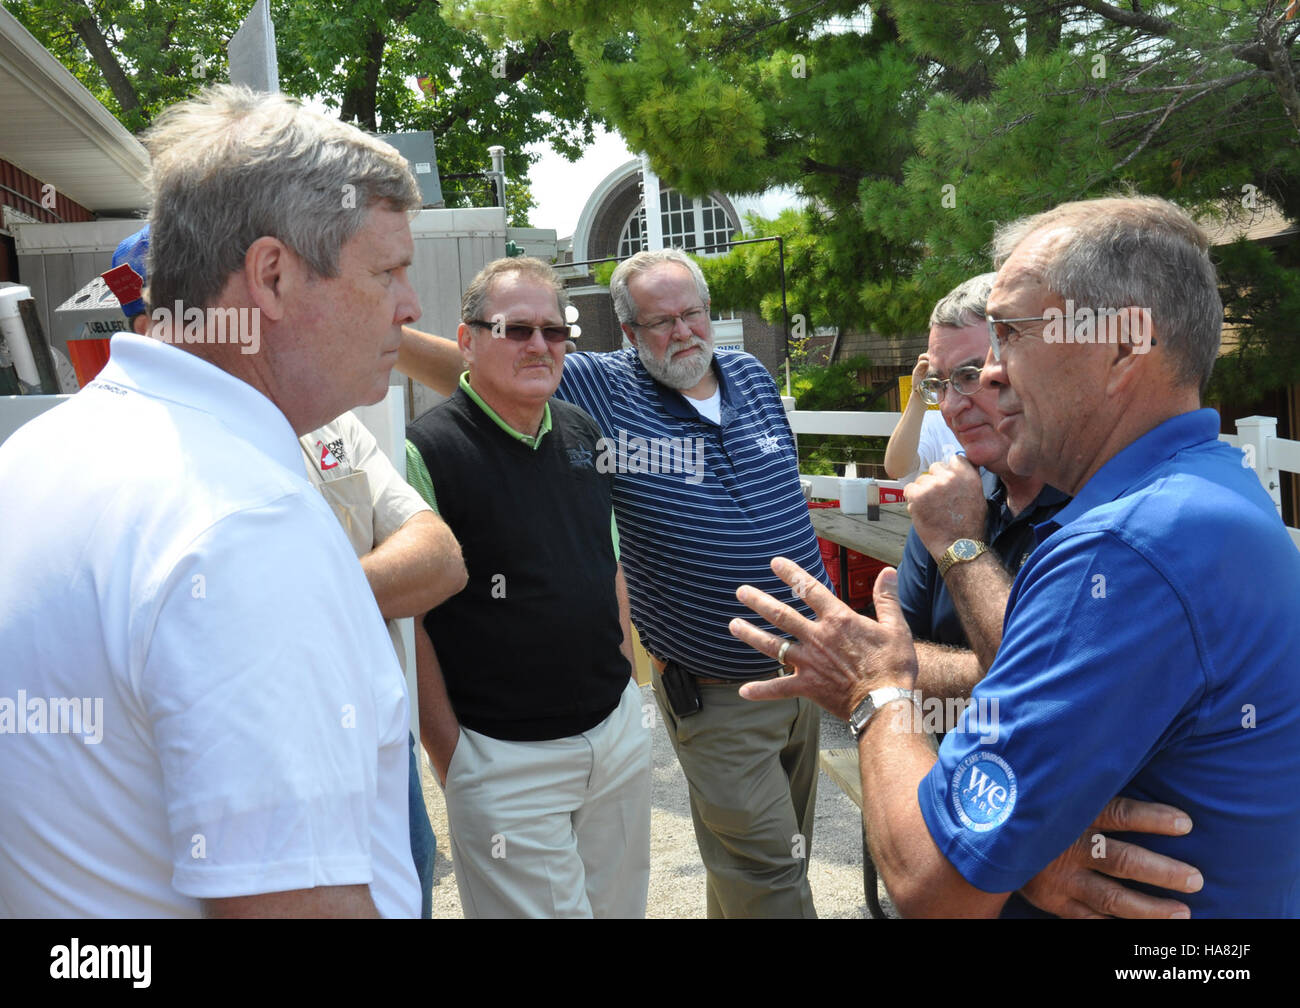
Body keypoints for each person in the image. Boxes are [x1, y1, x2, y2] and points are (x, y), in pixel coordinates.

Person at [731, 195, 1300, 917]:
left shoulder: (1124, 546)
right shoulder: (1208, 492)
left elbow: (934, 884)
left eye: (1011, 334)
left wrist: (874, 689)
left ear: (1124, 345)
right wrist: (1027, 845)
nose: (990, 377)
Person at [0, 84, 427, 917]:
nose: (410, 307)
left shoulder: (33, 456)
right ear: (271, 274)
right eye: (387, 272)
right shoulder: (247, 523)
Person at [398, 248, 828, 918]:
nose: (683, 331)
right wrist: (374, 334)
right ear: (629, 333)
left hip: (808, 678)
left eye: (693, 314)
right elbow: (492, 365)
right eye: (661, 321)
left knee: (764, 864)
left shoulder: (748, 374)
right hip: (719, 691)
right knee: (769, 871)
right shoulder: (603, 388)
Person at [900, 272, 1202, 918]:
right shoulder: (950, 498)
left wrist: (960, 549)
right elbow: (892, 662)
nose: (955, 404)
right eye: (940, 382)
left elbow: (1046, 698)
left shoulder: (1106, 511)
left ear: (1019, 367)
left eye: (974, 373)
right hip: (964, 841)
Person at [405, 257, 651, 918]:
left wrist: (626, 682)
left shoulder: (581, 432)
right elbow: (411, 622)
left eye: (554, 330)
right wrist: (451, 753)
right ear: (466, 341)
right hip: (504, 761)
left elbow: (610, 562)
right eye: (516, 330)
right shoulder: (424, 453)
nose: (540, 345)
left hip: (615, 738)